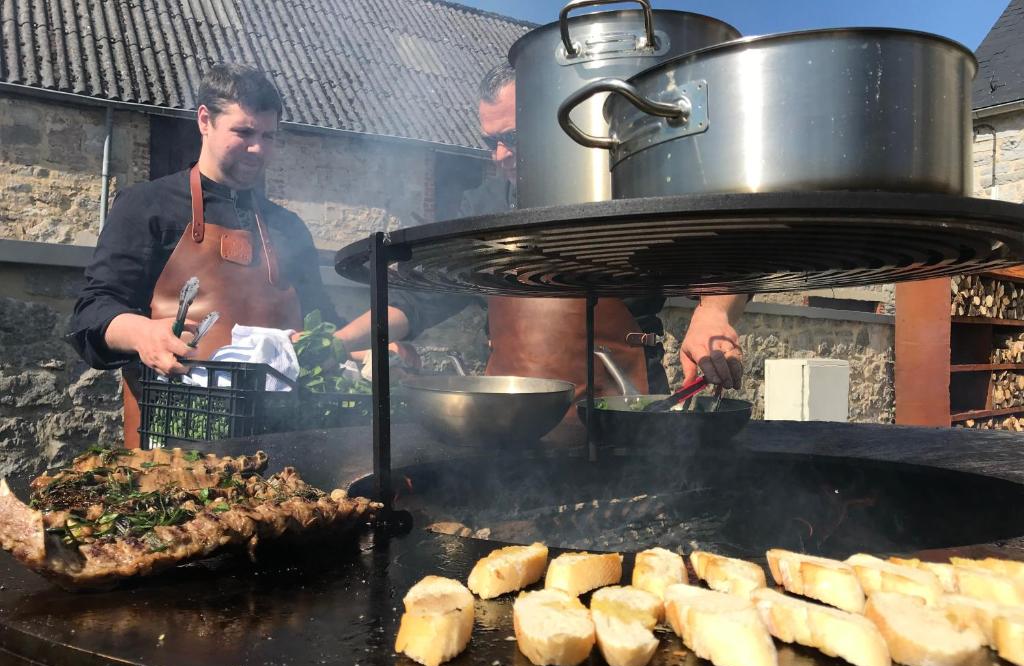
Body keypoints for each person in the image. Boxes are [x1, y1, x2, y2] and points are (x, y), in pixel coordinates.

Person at [336, 62, 747, 397]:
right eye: (490, 142)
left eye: (513, 137)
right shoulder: (482, 207)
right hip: (513, 409)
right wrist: (335, 342)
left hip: (625, 398)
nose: (500, 156)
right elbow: (423, 296)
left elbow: (720, 248)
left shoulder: (618, 183)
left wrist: (713, 312)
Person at [69, 63, 340, 449]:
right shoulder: (147, 206)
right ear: (204, 121)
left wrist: (377, 346)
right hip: (172, 445)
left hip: (283, 444)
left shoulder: (288, 227)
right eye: (243, 132)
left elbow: (322, 323)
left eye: (268, 136)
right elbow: (92, 311)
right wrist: (143, 333)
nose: (258, 148)